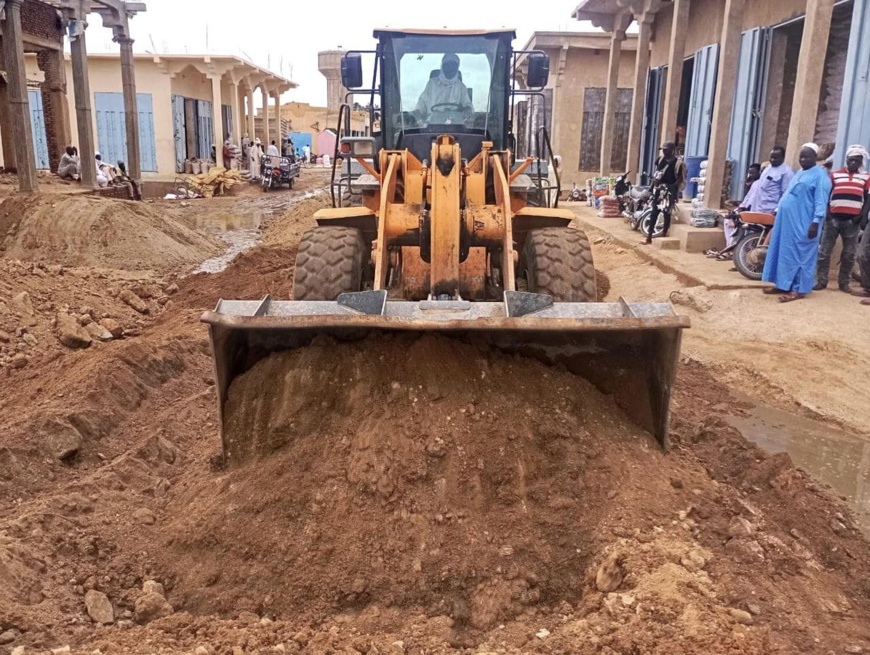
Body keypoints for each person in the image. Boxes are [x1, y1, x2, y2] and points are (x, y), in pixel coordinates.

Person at [761, 143, 832, 303]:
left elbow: (821, 201)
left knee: (802, 255)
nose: (803, 160)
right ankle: (782, 284)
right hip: (787, 223)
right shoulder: (799, 172)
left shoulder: (821, 176)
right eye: (801, 156)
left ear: (815, 157)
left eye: (807, 157)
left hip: (805, 223)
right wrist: (779, 209)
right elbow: (788, 193)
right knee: (785, 254)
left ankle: (798, 289)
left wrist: (816, 222)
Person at [814, 145, 870, 292]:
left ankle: (844, 283)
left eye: (857, 160)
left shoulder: (866, 177)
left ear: (861, 162)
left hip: (852, 221)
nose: (853, 163)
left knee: (849, 254)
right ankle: (821, 281)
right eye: (851, 160)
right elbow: (827, 194)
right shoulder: (835, 175)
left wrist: (861, 216)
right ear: (846, 160)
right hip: (833, 219)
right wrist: (828, 212)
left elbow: (867, 199)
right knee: (824, 251)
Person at [643, 141, 685, 244]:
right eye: (663, 150)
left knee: (666, 213)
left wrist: (672, 187)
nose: (664, 152)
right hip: (658, 190)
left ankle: (664, 235)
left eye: (666, 150)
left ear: (672, 150)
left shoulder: (678, 163)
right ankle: (649, 237)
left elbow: (680, 178)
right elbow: (656, 175)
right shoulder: (660, 160)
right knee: (654, 212)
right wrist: (651, 188)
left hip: (669, 192)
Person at [414, 53, 473, 124]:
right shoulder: (431, 84)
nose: (450, 69)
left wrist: (468, 110)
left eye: (453, 66)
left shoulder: (461, 87)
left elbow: (468, 106)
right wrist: (417, 113)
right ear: (442, 67)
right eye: (447, 65)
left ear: (457, 68)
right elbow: (421, 106)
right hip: (432, 126)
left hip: (456, 127)